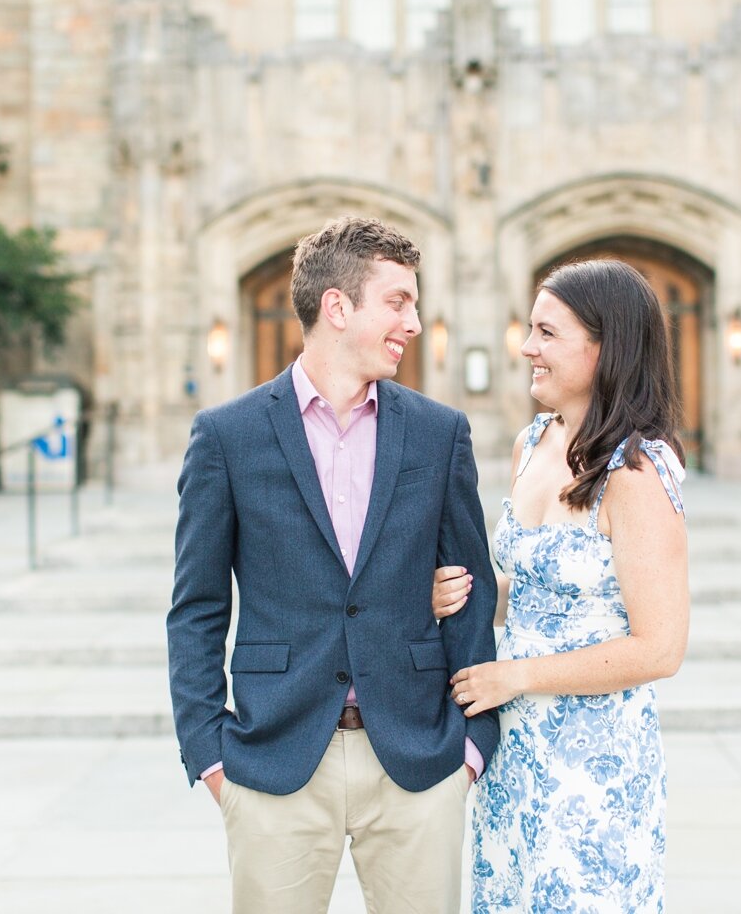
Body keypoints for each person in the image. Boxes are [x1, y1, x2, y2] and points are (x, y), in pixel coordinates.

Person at [169, 216, 500, 914]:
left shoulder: (441, 434)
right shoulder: (226, 437)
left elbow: (469, 588)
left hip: (417, 762)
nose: (413, 320)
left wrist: (471, 747)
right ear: (338, 307)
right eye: (398, 301)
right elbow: (196, 608)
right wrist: (209, 752)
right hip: (274, 762)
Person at [433, 259, 689, 913]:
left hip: (594, 763)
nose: (526, 348)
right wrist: (454, 591)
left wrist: (516, 676)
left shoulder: (634, 473)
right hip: (514, 748)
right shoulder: (532, 443)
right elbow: (531, 590)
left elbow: (660, 648)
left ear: (603, 347)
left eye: (547, 333)